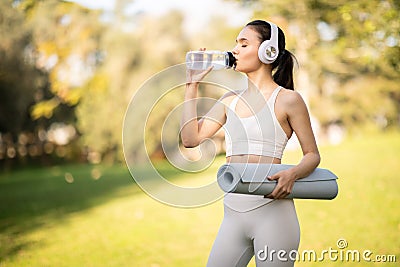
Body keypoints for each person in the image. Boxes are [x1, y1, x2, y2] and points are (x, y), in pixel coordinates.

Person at [180, 20, 320, 267]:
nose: (235, 50)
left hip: (274, 215)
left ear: (269, 51)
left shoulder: (288, 100)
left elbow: (312, 155)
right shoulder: (228, 100)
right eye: (236, 44)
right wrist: (192, 84)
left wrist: (292, 174)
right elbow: (190, 139)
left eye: (244, 44)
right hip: (233, 214)